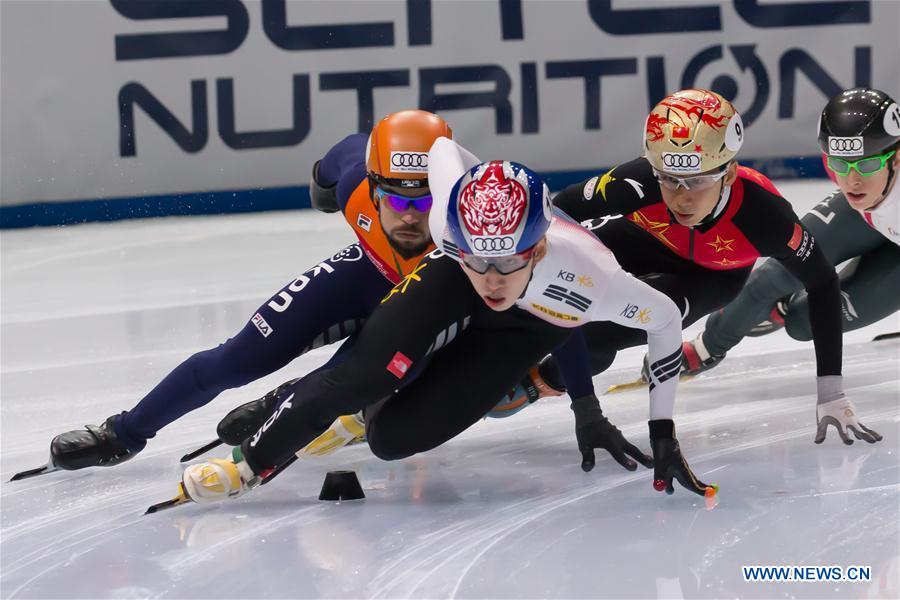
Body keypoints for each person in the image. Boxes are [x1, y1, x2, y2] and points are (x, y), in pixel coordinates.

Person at [168, 138, 716, 508]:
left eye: (509, 262)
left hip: (524, 328)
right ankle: (248, 464)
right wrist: (246, 466)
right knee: (360, 374)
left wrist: (661, 431)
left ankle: (371, 407)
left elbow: (666, 321)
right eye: (482, 259)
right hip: (446, 279)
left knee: (392, 441)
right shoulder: (451, 219)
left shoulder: (590, 275)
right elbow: (440, 147)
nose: (493, 279)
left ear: (541, 245)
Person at [44, 110, 452, 471]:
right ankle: (123, 432)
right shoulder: (353, 185)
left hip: (426, 304)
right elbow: (345, 150)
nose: (412, 218)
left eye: (427, 201)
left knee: (357, 376)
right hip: (366, 273)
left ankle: (293, 401)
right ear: (372, 187)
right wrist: (321, 185)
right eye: (397, 203)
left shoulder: (471, 222)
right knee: (235, 359)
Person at [541, 87, 880, 445]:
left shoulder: (764, 216)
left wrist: (831, 392)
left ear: (730, 173)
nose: (682, 196)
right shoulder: (638, 181)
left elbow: (823, 282)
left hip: (710, 275)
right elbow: (556, 212)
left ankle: (535, 383)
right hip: (642, 238)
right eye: (668, 179)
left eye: (699, 180)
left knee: (603, 337)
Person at [682, 87, 897, 444]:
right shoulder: (858, 189)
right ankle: (707, 347)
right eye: (839, 165)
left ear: (896, 157)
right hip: (864, 218)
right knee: (771, 277)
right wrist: (706, 345)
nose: (853, 180)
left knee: (803, 324)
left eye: (869, 164)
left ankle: (785, 312)